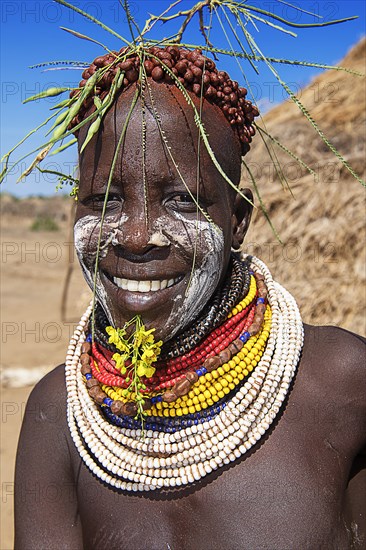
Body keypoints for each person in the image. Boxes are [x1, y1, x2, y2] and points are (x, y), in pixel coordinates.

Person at [14, 46, 365, 550]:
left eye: (182, 199)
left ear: (237, 220)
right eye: (104, 201)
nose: (136, 237)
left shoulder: (344, 384)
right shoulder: (58, 412)